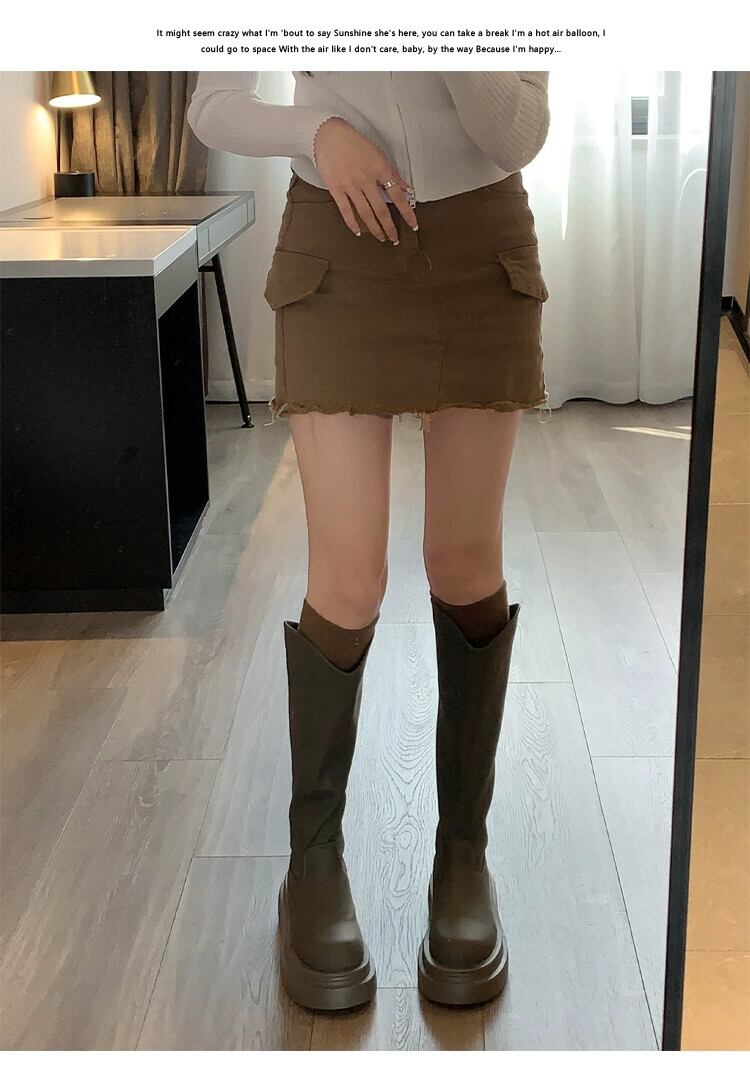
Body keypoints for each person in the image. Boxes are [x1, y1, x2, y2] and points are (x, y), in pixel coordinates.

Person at [187, 70, 552, 1012]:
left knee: (465, 562)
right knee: (348, 580)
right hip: (336, 239)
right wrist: (319, 129)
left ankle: (463, 855)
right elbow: (213, 105)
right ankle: (313, 861)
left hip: (479, 245)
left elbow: (519, 132)